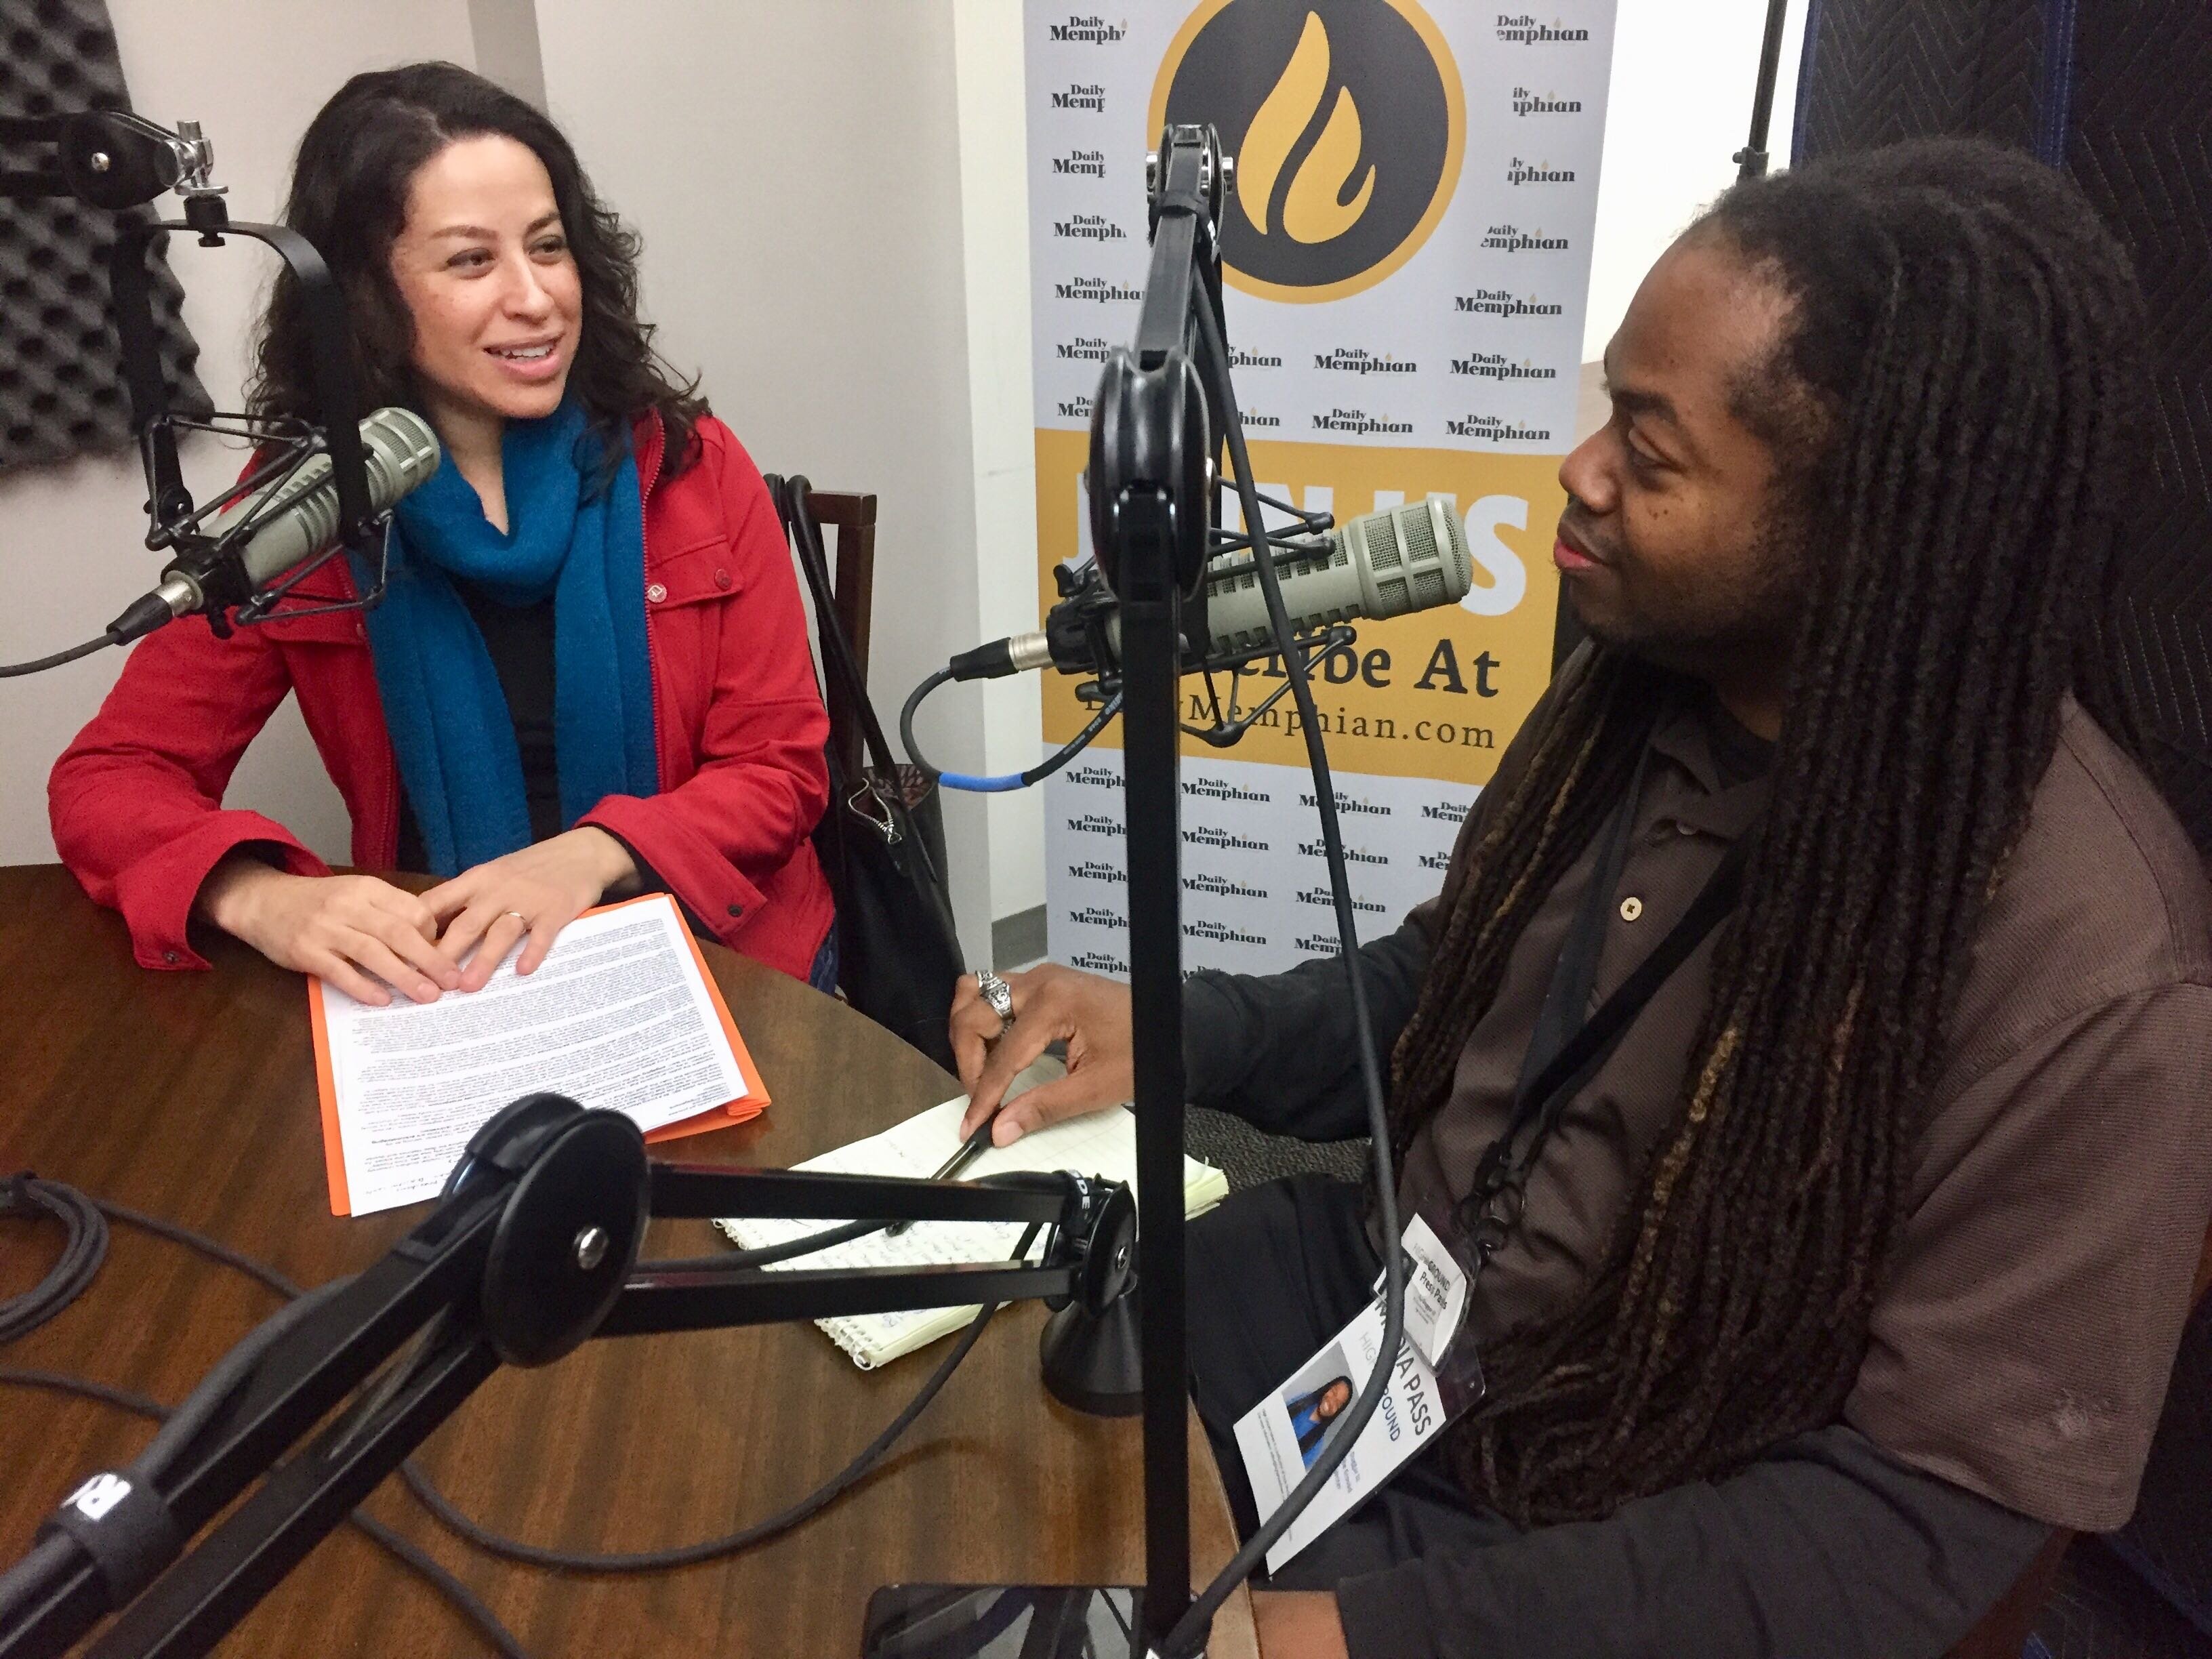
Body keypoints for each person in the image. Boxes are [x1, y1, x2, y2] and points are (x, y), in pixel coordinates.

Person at [951, 139, 2212, 1659]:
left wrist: (1331, 1645)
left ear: (1864, 526)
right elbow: (1444, 990)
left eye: (1649, 450)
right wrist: (1177, 1029)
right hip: (1378, 1301)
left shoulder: (2098, 973)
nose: (1579, 470)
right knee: (973, 1438)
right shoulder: (1632, 689)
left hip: (1595, 1508)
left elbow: (1900, 1533)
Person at [49, 63, 835, 1006]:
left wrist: (595, 855)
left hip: (730, 956)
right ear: (366, 294)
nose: (537, 298)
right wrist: (255, 894)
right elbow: (112, 778)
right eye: (472, 261)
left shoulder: (692, 467)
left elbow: (780, 768)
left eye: (548, 248)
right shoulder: (305, 509)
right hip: (450, 983)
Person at [1289, 1376, 1354, 1466]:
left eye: (1338, 1404)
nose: (1332, 1401)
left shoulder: (1315, 1446)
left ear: (1338, 1411)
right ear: (1328, 1388)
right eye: (1334, 1392)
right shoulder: (1304, 1399)